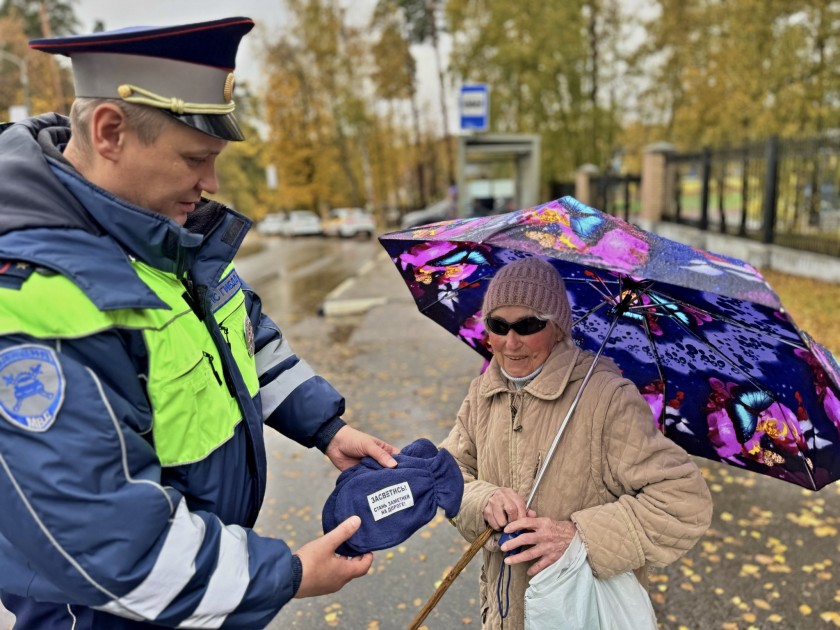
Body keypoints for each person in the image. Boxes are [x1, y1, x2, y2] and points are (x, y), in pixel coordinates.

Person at [0, 17, 399, 629]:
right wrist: (285, 575)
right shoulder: (32, 300)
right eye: (195, 158)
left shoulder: (157, 235)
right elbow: (110, 544)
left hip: (195, 594)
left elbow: (244, 335)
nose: (210, 184)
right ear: (110, 132)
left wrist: (325, 427)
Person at [439, 257, 713, 628]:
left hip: (582, 613)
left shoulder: (607, 398)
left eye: (528, 325)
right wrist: (482, 500)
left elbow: (684, 502)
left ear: (557, 327)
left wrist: (580, 537)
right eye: (498, 325)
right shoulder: (483, 392)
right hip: (504, 613)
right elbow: (449, 472)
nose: (511, 342)